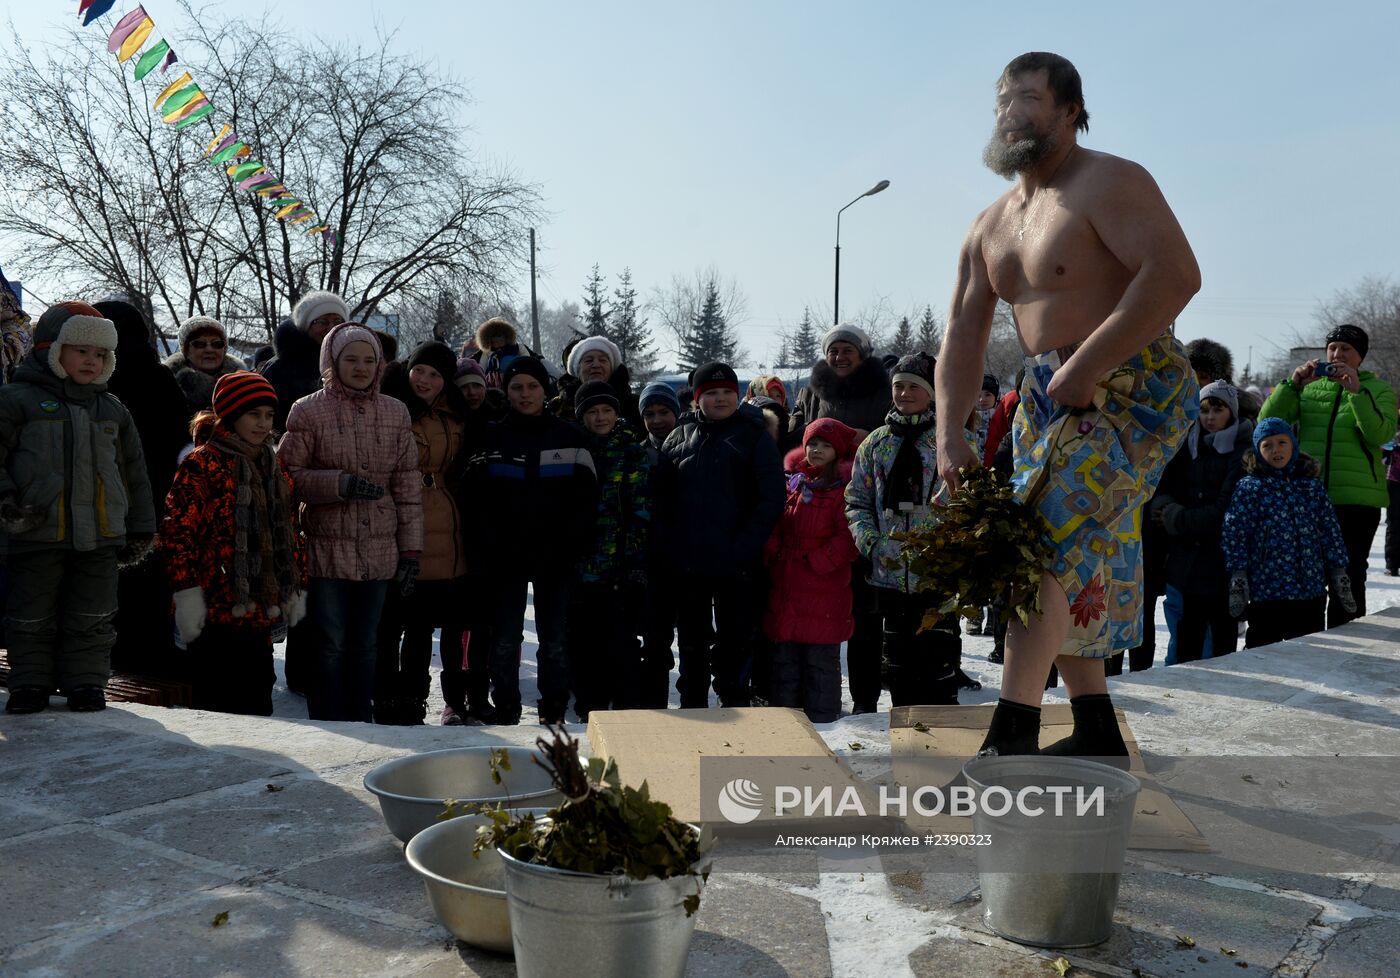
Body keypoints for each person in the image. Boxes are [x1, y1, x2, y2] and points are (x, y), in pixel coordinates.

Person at [936, 52, 1200, 760]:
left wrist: (1090, 363)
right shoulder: (989, 223)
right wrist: (950, 435)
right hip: (1046, 393)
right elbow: (962, 332)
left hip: (1131, 378)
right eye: (1001, 100)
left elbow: (1175, 275)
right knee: (1065, 551)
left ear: (1071, 111)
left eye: (1028, 97)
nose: (1009, 111)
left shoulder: (1108, 182)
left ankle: (1012, 735)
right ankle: (1095, 727)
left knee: (1045, 549)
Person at [0, 302, 156, 714]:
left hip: (100, 535)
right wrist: (7, 504)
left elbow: (134, 473)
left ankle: (86, 682)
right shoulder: (17, 401)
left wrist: (140, 527)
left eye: (101, 354)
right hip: (36, 531)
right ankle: (29, 683)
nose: (92, 361)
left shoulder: (112, 409)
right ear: (51, 350)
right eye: (82, 351)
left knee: (94, 613)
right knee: (31, 614)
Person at [276, 323, 423, 722]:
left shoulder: (395, 412)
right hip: (327, 549)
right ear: (332, 362)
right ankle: (327, 719)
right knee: (331, 643)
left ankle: (361, 717)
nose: (360, 368)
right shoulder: (307, 410)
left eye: (369, 360)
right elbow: (287, 476)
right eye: (351, 359)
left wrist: (410, 551)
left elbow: (408, 487)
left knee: (367, 644)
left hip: (380, 550)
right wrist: (338, 484)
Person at [158, 372, 307, 715]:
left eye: (268, 415)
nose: (263, 423)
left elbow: (288, 528)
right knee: (217, 704)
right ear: (231, 415)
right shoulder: (202, 463)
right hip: (214, 607)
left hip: (257, 608)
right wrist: (186, 592)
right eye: (253, 414)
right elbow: (178, 532)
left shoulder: (272, 464)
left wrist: (292, 587)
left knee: (258, 694)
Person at [462, 356, 598, 724]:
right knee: (505, 640)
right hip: (504, 558)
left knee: (553, 642)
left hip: (556, 557)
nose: (525, 394)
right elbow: (474, 500)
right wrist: (487, 547)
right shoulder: (490, 436)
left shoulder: (569, 437)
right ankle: (506, 707)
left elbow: (586, 500)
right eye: (517, 386)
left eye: (532, 386)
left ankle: (553, 709)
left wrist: (572, 545)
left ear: (545, 389)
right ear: (506, 390)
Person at [654, 361, 784, 708]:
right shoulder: (678, 437)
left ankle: (734, 704)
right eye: (711, 393)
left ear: (738, 396)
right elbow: (662, 499)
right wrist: (672, 546)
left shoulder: (754, 436)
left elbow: (771, 498)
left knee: (736, 641)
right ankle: (693, 704)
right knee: (693, 642)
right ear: (697, 399)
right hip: (690, 563)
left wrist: (743, 547)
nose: (721, 399)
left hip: (737, 563)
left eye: (727, 392)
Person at [1259, 324, 1396, 627]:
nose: (1338, 354)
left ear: (1360, 356)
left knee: (1348, 575)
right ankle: (1308, 639)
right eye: (1333, 348)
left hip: (1357, 499)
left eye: (1346, 349)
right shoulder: (1309, 387)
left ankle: (1349, 634)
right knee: (1309, 571)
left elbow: (1381, 435)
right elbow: (1267, 425)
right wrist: (1292, 386)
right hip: (1310, 496)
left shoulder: (1378, 389)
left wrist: (1356, 393)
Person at [847, 353, 963, 707]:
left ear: (932, 393)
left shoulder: (952, 441)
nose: (905, 393)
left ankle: (945, 741)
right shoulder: (876, 444)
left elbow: (975, 501)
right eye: (899, 386)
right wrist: (872, 544)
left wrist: (956, 550)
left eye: (914, 386)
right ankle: (908, 745)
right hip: (890, 575)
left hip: (939, 576)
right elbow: (857, 502)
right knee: (899, 668)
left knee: (939, 667)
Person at [788, 323, 891, 714]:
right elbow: (803, 433)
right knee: (818, 603)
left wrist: (869, 437)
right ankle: (811, 693)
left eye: (848, 350)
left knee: (866, 612)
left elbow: (893, 433)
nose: (840, 357)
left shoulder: (882, 389)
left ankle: (865, 699)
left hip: (868, 502)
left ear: (862, 354)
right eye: (834, 350)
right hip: (823, 502)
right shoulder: (816, 388)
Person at [375, 341, 472, 725]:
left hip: (445, 522)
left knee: (421, 626)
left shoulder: (454, 414)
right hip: (397, 515)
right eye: (420, 370)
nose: (425, 380)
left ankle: (414, 699)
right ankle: (384, 698)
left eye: (435, 374)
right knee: (389, 624)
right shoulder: (389, 406)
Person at [95, 297, 191, 681]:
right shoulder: (159, 377)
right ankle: (150, 666)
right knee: (149, 589)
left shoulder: (97, 378)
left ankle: (115, 663)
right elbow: (177, 440)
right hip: (153, 501)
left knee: (111, 590)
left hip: (106, 500)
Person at [1222, 417, 1353, 647]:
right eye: (1267, 445)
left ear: (1293, 444)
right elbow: (1235, 531)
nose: (1276, 450)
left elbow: (1329, 530)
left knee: (1307, 649)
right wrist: (1238, 572)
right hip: (1267, 588)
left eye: (1282, 442)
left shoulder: (1310, 486)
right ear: (1257, 450)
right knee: (1262, 649)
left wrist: (1338, 569)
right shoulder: (1251, 488)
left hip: (1309, 587)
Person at [764, 418, 860, 723]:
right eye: (813, 443)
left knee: (820, 663)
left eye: (826, 445)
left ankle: (823, 719)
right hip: (788, 587)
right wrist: (774, 550)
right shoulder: (793, 483)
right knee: (785, 662)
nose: (817, 450)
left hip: (823, 591)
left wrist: (816, 561)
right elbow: (777, 522)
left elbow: (848, 538)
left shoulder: (842, 490)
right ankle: (786, 719)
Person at [1151, 381, 1252, 663]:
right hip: (1184, 561)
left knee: (1218, 643)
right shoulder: (1189, 444)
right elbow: (1167, 484)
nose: (1209, 417)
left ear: (1230, 412)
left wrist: (1175, 518)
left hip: (1220, 561)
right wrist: (1162, 505)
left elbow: (1225, 511)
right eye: (1204, 410)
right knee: (1183, 639)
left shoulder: (1241, 453)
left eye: (1217, 410)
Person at [568, 380, 651, 718]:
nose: (600, 417)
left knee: (622, 640)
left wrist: (633, 558)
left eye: (606, 410)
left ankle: (627, 707)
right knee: (583, 640)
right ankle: (590, 705)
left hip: (619, 562)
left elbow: (639, 508)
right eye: (592, 411)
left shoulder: (631, 449)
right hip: (580, 563)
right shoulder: (573, 448)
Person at [637, 381, 683, 707]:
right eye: (649, 413)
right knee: (655, 640)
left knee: (696, 641)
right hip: (652, 561)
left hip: (689, 557)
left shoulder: (693, 446)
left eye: (663, 411)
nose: (657, 419)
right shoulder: (639, 455)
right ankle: (653, 707)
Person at [261, 291, 349, 432]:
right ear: (306, 326)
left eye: (338, 321)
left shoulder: (351, 362)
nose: (331, 327)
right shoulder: (279, 368)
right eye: (323, 322)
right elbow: (269, 417)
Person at [163, 315, 249, 417]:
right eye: (199, 344)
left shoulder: (245, 384)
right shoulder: (165, 387)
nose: (209, 350)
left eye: (217, 344)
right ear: (186, 350)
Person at [557, 335, 642, 431]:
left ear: (611, 368)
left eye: (602, 360)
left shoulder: (636, 406)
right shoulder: (558, 408)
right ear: (578, 369)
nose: (596, 365)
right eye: (588, 360)